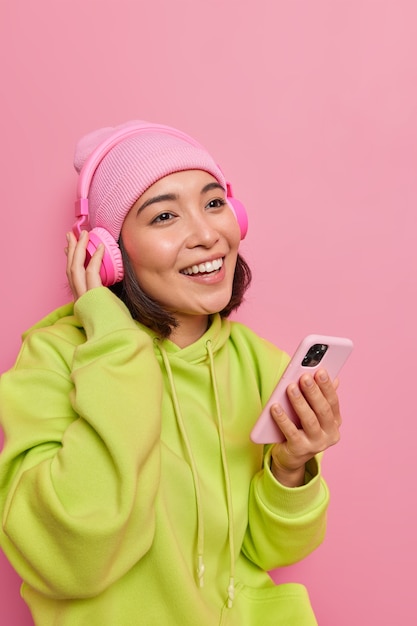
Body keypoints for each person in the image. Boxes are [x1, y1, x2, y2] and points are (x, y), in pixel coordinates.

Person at [0, 120, 342, 626]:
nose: (207, 235)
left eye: (213, 203)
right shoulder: (54, 360)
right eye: (164, 216)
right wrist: (115, 346)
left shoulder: (261, 364)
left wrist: (291, 467)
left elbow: (270, 553)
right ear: (106, 253)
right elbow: (70, 562)